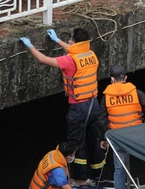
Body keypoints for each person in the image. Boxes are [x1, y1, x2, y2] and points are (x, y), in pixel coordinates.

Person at [19, 28, 106, 186]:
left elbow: (44, 60)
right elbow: (75, 51)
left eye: (70, 40)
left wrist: (30, 46)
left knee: (76, 143)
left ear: (74, 41)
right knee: (94, 139)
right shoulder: (90, 54)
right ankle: (97, 175)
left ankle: (80, 178)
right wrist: (57, 41)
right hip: (94, 104)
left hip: (79, 107)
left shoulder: (69, 61)